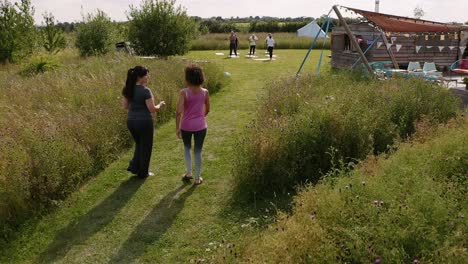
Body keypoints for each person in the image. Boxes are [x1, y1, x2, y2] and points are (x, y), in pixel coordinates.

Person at [122, 66, 165, 179]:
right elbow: (152, 109)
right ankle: (143, 173)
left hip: (131, 122)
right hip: (144, 122)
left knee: (139, 144)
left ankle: (134, 167)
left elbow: (125, 106)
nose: (148, 77)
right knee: (146, 147)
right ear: (140, 77)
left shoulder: (127, 89)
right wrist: (160, 105)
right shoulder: (146, 90)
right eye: (146, 75)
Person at [176, 65, 211, 185]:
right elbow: (207, 109)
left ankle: (189, 172)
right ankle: (197, 178)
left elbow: (179, 112)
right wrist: (200, 117)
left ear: (187, 78)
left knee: (187, 148)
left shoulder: (183, 92)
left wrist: (177, 128)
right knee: (198, 151)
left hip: (186, 126)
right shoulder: (205, 92)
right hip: (201, 126)